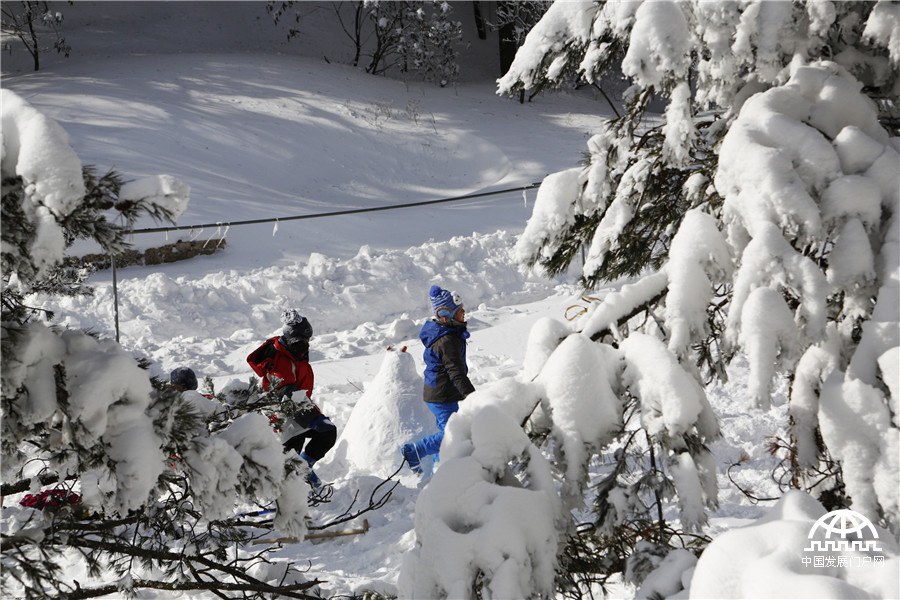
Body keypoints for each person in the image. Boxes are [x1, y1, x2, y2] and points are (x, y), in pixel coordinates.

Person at [247, 310, 337, 490]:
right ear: (294, 340)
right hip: (283, 417)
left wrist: (314, 415)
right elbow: (286, 396)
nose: (308, 344)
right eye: (305, 340)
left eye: (308, 339)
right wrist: (313, 419)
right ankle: (286, 488)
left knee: (327, 434)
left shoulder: (295, 353)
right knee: (290, 455)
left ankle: (303, 468)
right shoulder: (280, 361)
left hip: (298, 410)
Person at [400, 285, 475, 475]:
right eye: (460, 310)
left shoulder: (448, 334)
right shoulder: (447, 340)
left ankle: (437, 470)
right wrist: (472, 396)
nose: (464, 312)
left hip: (440, 392)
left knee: (448, 431)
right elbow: (455, 372)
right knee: (452, 434)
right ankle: (415, 451)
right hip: (442, 394)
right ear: (447, 315)